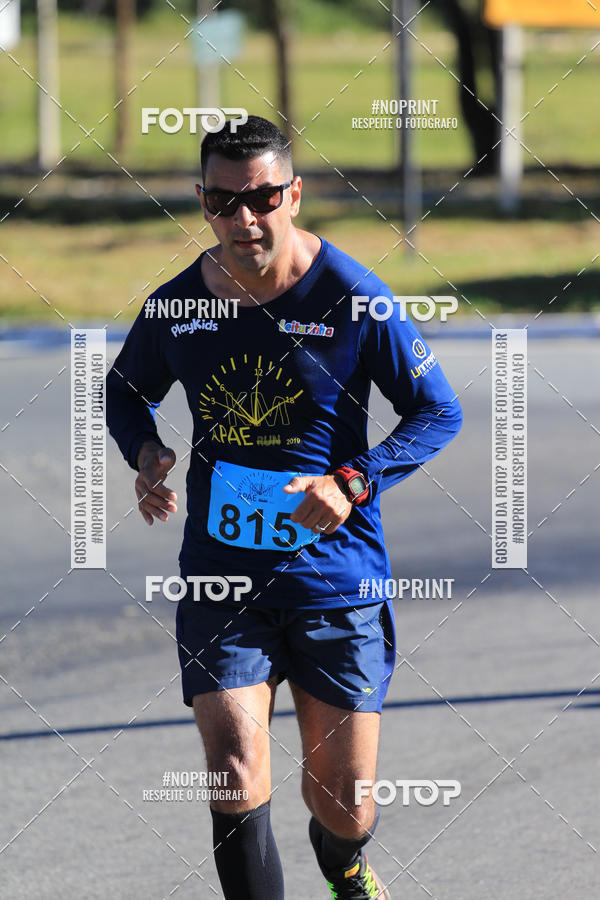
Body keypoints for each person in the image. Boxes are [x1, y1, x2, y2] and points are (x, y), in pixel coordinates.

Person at [106, 115, 462, 899]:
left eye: (263, 198)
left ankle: (347, 864)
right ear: (202, 202)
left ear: (293, 195)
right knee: (234, 770)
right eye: (223, 202)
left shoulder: (354, 297)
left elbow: (439, 411)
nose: (244, 219)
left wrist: (354, 481)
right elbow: (125, 388)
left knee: (345, 800)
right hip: (221, 574)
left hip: (334, 577)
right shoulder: (178, 306)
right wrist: (145, 453)